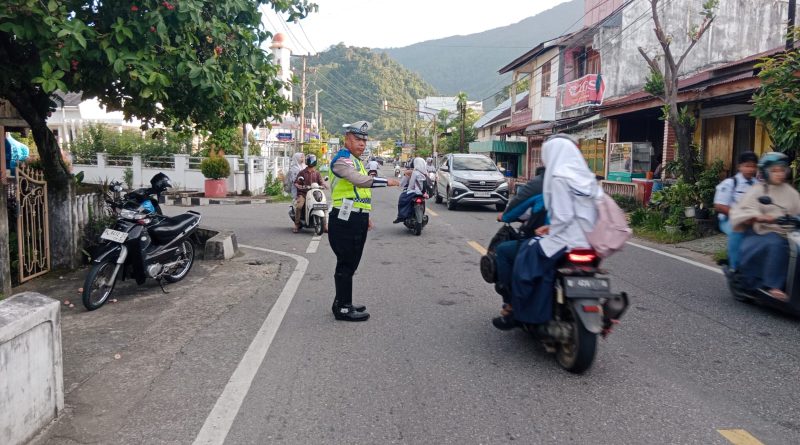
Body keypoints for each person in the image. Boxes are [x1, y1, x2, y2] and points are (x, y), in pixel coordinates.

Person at [494, 135, 600, 329]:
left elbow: (564, 217)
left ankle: (516, 310)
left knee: (523, 260)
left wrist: (550, 229)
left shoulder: (557, 178)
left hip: (563, 241)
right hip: (589, 241)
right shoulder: (587, 178)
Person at [328, 121, 400, 321]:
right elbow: (359, 181)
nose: (362, 144)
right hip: (344, 218)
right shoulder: (342, 160)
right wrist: (387, 181)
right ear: (347, 139)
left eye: (364, 140)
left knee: (351, 263)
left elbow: (360, 193)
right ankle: (342, 308)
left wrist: (365, 215)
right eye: (357, 139)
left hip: (356, 216)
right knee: (346, 263)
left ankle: (343, 301)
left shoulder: (356, 160)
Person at [730, 152, 800, 302]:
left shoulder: (791, 192)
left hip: (789, 235)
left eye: (782, 170)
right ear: (766, 172)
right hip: (760, 234)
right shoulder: (758, 190)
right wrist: (759, 216)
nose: (779, 174)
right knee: (776, 243)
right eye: (774, 170)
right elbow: (742, 212)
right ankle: (773, 286)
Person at [490, 166, 548, 328]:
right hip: (584, 243)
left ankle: (512, 304)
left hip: (549, 242)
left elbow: (515, 208)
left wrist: (506, 216)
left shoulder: (540, 184)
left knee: (503, 251)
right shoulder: (583, 182)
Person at [713, 151, 758, 269]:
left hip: (752, 219)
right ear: (740, 166)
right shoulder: (730, 183)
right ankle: (734, 266)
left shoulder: (758, 185)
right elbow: (719, 206)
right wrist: (740, 216)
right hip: (729, 219)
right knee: (737, 231)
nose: (750, 169)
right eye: (747, 166)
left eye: (753, 166)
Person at [293, 154, 327, 233]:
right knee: (299, 206)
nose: (312, 162)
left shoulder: (317, 173)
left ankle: (325, 225)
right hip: (304, 193)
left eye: (313, 160)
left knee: (323, 205)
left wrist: (323, 185)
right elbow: (296, 182)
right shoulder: (302, 172)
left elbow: (321, 182)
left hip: (314, 193)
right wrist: (300, 186)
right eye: (310, 160)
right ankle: (297, 224)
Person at [393, 157, 428, 223]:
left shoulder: (413, 172)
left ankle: (401, 216)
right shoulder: (425, 173)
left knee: (402, 198)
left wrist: (407, 191)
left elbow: (410, 185)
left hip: (414, 192)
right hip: (422, 192)